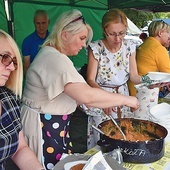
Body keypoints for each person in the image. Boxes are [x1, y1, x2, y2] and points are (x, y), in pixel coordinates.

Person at [20, 9, 140, 170]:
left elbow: (70, 92)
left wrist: (80, 101)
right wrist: (128, 99)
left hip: (52, 125)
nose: (84, 44)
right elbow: (86, 95)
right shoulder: (54, 59)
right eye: (82, 38)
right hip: (43, 128)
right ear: (65, 35)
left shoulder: (53, 54)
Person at [85, 8, 142, 149]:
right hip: (101, 95)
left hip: (123, 95)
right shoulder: (96, 48)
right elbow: (90, 80)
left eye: (122, 33)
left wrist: (150, 81)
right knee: (104, 137)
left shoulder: (129, 47)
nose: (117, 39)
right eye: (112, 34)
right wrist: (106, 98)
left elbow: (134, 76)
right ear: (104, 30)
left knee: (123, 135)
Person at [0, 29, 44, 170]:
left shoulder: (8, 99)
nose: (12, 67)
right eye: (5, 58)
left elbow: (19, 148)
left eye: (14, 61)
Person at [128, 19, 170, 97]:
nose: (169, 36)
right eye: (167, 32)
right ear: (160, 33)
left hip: (133, 88)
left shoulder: (145, 44)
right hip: (145, 91)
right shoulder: (158, 48)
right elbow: (168, 74)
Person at [22, 10, 50, 75]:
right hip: (34, 77)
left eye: (43, 23)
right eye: (38, 23)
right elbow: (26, 66)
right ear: (34, 23)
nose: (41, 26)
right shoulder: (27, 41)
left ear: (48, 22)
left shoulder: (54, 39)